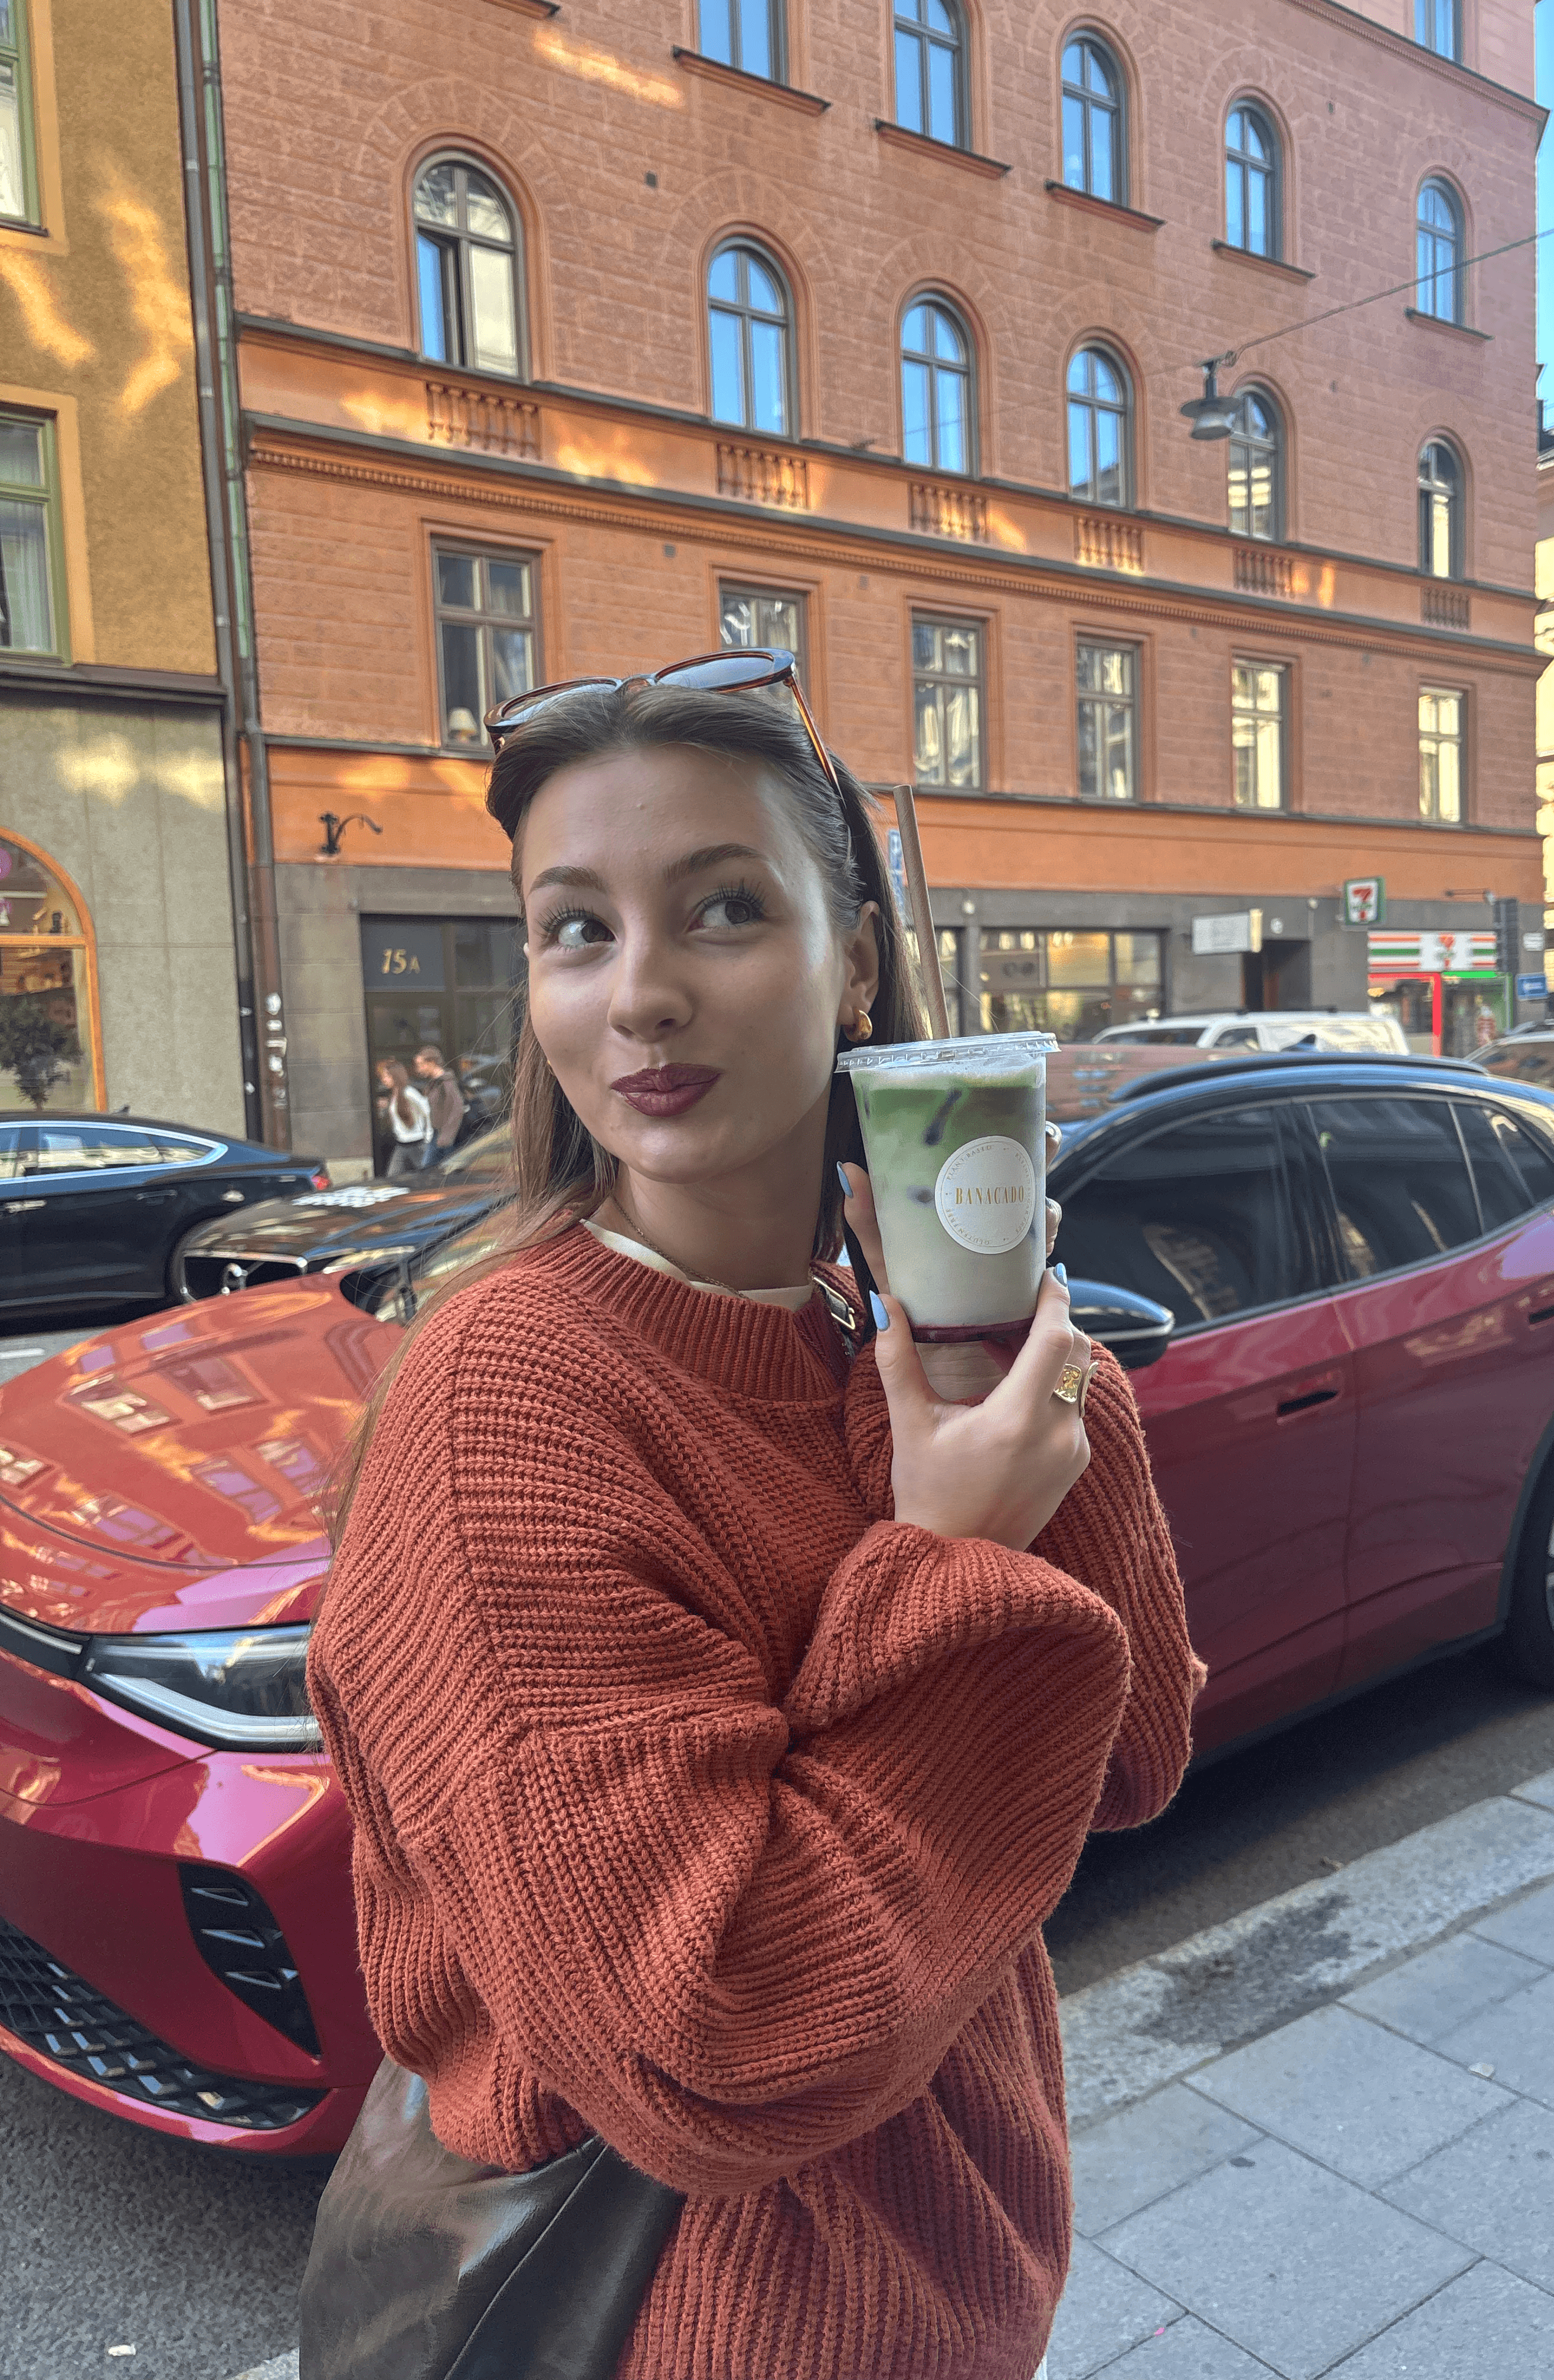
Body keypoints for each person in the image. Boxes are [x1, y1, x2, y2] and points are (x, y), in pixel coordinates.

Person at [310, 668, 1200, 2380]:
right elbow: (713, 2046)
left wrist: (1012, 1340)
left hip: (957, 2292)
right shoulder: (512, 1401)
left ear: (855, 961)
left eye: (722, 908)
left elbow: (1137, 1748)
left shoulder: (872, 1328)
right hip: (706, 2332)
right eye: (578, 930)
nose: (641, 993)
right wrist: (956, 1563)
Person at [375, 1057, 431, 1175]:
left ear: (395, 1076)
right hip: (402, 1144)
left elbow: (427, 1111)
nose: (384, 1080)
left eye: (387, 1076)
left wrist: (428, 1137)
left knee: (426, 1176)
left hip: (417, 1144)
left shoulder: (409, 1092)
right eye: (383, 1077)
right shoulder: (395, 1095)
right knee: (393, 1176)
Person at [411, 1043, 465, 1163]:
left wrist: (446, 1137)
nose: (419, 1069)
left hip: (445, 1136)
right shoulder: (434, 1084)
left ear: (432, 1063)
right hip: (437, 1134)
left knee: (431, 1167)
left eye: (421, 1065)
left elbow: (457, 1109)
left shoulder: (446, 1083)